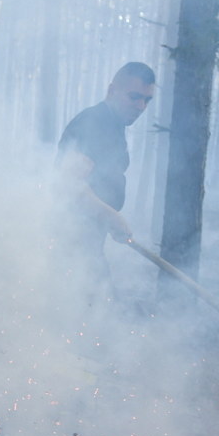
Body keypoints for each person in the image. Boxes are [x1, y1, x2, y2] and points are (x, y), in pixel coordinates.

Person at [56, 62, 156, 281]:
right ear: (112, 91)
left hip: (87, 243)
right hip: (66, 244)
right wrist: (110, 215)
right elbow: (69, 184)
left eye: (147, 100)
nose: (141, 106)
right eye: (134, 97)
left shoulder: (114, 126)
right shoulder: (93, 123)